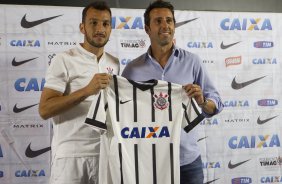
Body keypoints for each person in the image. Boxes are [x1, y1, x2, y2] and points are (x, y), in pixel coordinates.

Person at [121, 1, 224, 184]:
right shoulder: (132, 70)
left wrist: (202, 101)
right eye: (158, 21)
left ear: (174, 26)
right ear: (147, 28)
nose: (165, 25)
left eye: (169, 20)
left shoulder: (192, 62)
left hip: (187, 161)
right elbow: (123, 113)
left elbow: (215, 104)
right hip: (148, 161)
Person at [38, 1, 119, 184]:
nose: (100, 28)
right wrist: (86, 90)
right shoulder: (64, 59)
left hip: (105, 154)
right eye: (93, 23)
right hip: (70, 156)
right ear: (82, 27)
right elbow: (44, 109)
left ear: (111, 29)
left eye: (105, 24)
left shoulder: (114, 63)